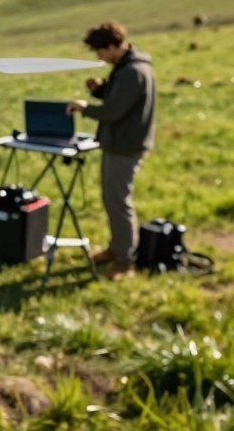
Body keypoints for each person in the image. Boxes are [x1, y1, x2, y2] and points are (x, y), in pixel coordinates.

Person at [66, 21, 156, 280]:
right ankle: (116, 249)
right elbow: (119, 101)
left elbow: (113, 112)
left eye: (100, 51)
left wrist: (83, 107)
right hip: (118, 143)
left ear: (113, 45)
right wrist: (100, 90)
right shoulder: (127, 67)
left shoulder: (131, 71)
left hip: (125, 146)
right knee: (112, 199)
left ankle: (125, 261)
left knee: (118, 203)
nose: (99, 57)